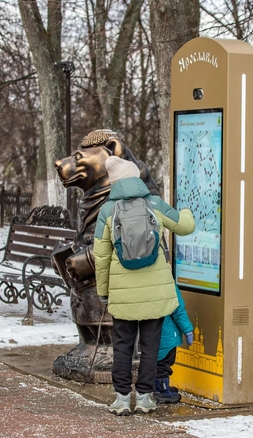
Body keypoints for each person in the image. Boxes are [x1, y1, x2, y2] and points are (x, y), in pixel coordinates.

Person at [94, 156, 195, 416]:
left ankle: (120, 399)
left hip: (122, 292)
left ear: (114, 183)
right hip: (156, 292)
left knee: (123, 347)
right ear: (135, 177)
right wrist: (184, 211)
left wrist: (104, 292)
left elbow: (101, 257)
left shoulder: (106, 211)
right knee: (150, 348)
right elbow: (185, 226)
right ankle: (145, 398)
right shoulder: (154, 203)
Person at [154, 285, 194, 404]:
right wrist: (188, 331)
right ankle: (162, 390)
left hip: (151, 334)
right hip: (168, 336)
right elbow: (178, 311)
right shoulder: (168, 285)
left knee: (155, 363)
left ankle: (156, 387)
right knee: (164, 365)